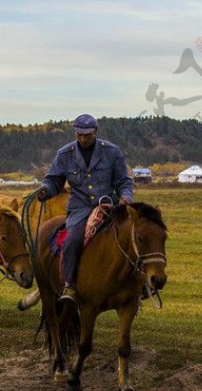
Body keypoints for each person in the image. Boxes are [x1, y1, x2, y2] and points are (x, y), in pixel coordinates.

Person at [36, 114, 134, 306]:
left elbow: (124, 181)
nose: (82, 138)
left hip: (110, 207)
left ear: (95, 132)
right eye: (79, 134)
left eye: (86, 135)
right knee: (72, 240)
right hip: (80, 210)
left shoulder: (112, 152)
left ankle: (140, 284)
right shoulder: (64, 154)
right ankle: (70, 285)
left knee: (133, 236)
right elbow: (54, 180)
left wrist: (126, 198)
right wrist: (45, 189)